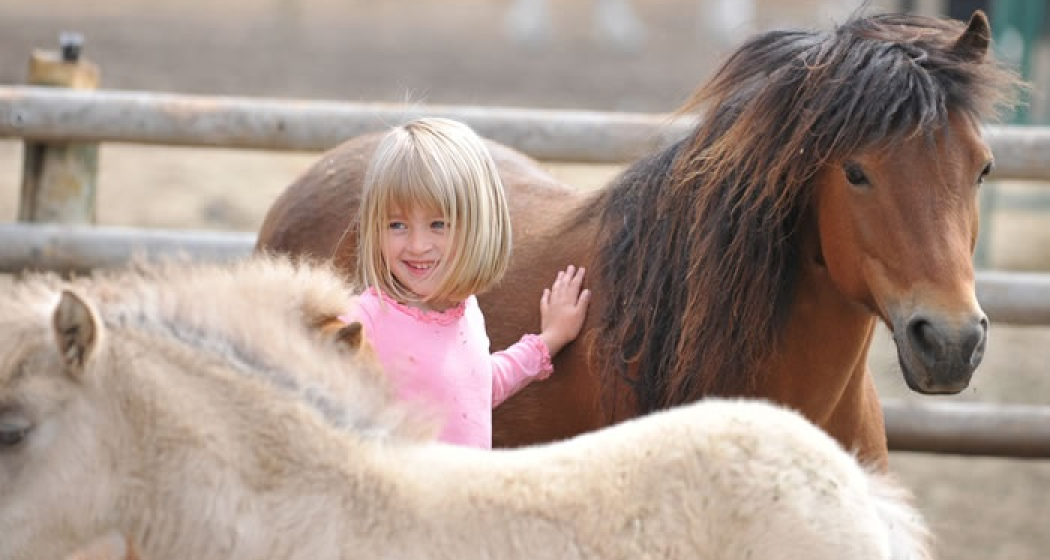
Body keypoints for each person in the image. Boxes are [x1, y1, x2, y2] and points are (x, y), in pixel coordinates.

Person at [339, 117, 590, 449]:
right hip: (402, 496)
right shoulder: (367, 318)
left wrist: (549, 341)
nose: (417, 245)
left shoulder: (466, 309)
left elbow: (477, 388)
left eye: (438, 224)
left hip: (464, 495)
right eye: (397, 225)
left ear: (477, 226)